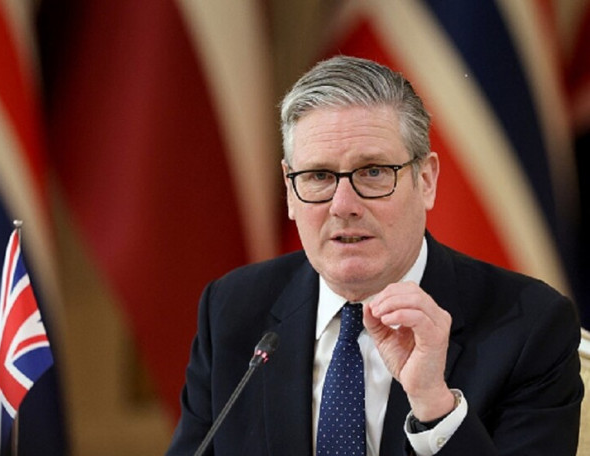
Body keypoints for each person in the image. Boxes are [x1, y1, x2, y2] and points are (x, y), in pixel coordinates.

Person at [166, 56, 583, 455]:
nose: (343, 205)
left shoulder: (530, 326)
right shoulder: (232, 310)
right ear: (290, 190)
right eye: (318, 176)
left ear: (426, 180)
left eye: (373, 172)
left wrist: (434, 406)